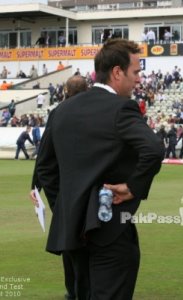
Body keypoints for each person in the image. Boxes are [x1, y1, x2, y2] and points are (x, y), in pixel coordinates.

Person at [36, 39, 164, 299]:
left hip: (71, 231)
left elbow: (45, 168)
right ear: (117, 72)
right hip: (111, 230)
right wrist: (132, 187)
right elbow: (153, 148)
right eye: (136, 72)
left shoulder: (61, 110)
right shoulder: (121, 108)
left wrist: (67, 206)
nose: (139, 79)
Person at [30, 75, 88, 300]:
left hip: (65, 192)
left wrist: (37, 187)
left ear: (65, 90)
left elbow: (44, 156)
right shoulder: (77, 113)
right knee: (80, 247)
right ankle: (78, 292)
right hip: (80, 190)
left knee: (70, 245)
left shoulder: (58, 112)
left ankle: (73, 292)